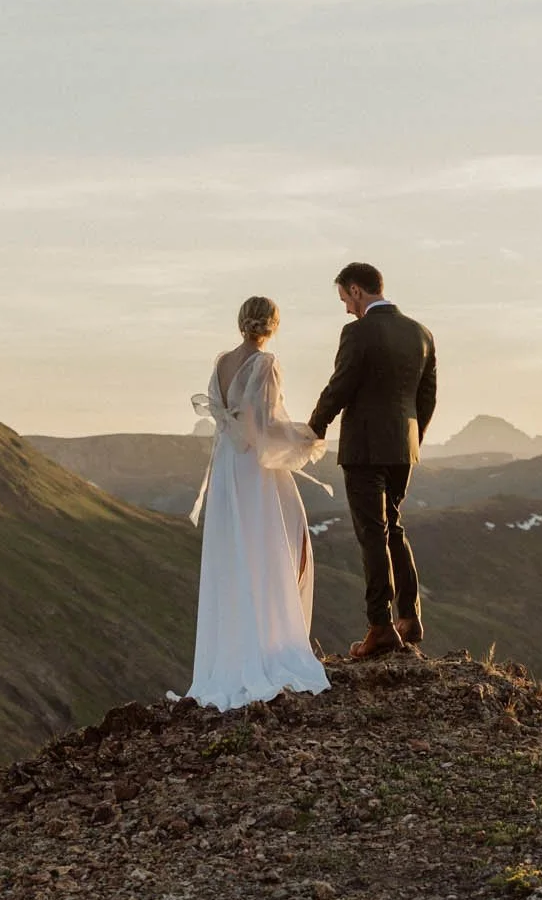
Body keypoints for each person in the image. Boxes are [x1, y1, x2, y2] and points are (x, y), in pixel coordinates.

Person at [186, 296, 331, 709]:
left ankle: (233, 652)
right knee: (275, 545)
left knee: (236, 553)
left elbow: (233, 418)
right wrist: (306, 438)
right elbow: (266, 425)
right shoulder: (265, 364)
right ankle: (270, 646)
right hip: (255, 470)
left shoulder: (221, 363)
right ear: (273, 326)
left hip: (229, 465)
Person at [308, 262, 438, 659]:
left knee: (372, 533)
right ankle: (410, 619)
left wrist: (316, 426)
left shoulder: (358, 332)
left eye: (346, 299)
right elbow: (427, 396)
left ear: (357, 290)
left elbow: (342, 384)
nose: (346, 308)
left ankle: (380, 626)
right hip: (404, 447)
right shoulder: (421, 333)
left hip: (365, 447)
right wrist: (411, 438)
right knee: (394, 527)